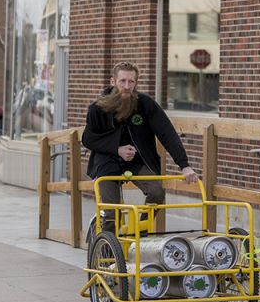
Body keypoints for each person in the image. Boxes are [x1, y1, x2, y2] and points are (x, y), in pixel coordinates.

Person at [82, 61, 198, 232]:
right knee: (112, 212)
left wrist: (184, 165)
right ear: (113, 81)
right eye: (122, 81)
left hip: (137, 162)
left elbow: (167, 133)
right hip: (107, 163)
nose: (127, 86)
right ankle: (107, 245)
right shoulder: (97, 108)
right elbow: (88, 139)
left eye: (131, 81)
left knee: (157, 193)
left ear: (136, 83)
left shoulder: (145, 104)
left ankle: (140, 232)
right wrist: (117, 149)